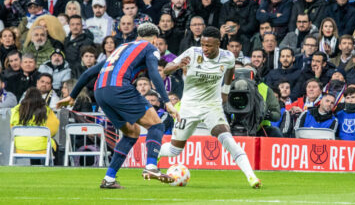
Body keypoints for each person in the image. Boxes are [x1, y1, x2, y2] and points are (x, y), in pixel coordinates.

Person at [57, 23, 179, 188]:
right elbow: (154, 74)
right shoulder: (150, 47)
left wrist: (72, 96)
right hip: (120, 88)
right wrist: (166, 102)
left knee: (131, 132)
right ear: (155, 39)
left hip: (100, 92)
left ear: (137, 36)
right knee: (156, 125)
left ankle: (109, 179)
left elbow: (89, 73)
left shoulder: (121, 48)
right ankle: (151, 166)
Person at [159, 26, 261, 188]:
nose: (205, 48)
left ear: (218, 44)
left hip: (211, 106)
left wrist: (225, 91)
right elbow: (166, 69)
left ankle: (252, 177)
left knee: (227, 138)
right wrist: (178, 66)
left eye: (209, 45)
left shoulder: (227, 56)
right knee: (174, 151)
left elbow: (230, 69)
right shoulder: (193, 52)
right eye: (203, 45)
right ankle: (156, 152)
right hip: (188, 107)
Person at [10, 87, 59, 165]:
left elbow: (12, 128)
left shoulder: (16, 110)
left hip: (21, 147)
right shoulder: (46, 110)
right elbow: (53, 130)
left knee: (33, 142)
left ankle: (34, 166)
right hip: (42, 148)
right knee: (54, 143)